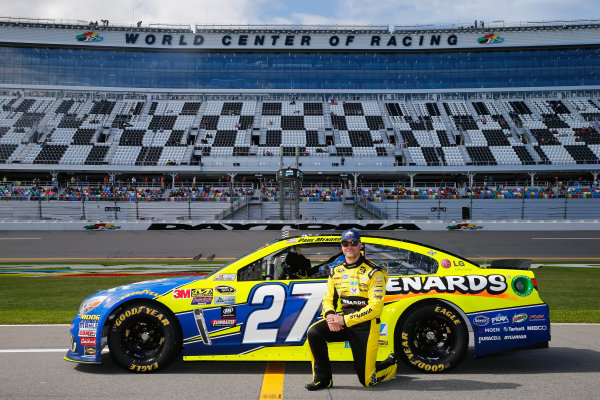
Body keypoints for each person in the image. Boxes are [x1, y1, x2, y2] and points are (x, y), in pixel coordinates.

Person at [305, 229, 397, 390]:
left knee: (368, 381)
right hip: (343, 320)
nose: (350, 246)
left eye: (354, 243)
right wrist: (330, 316)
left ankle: (390, 364)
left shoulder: (374, 273)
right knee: (314, 332)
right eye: (345, 243)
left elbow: (375, 308)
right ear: (341, 247)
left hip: (366, 326)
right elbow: (328, 299)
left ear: (360, 245)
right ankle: (323, 379)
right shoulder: (336, 271)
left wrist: (344, 320)